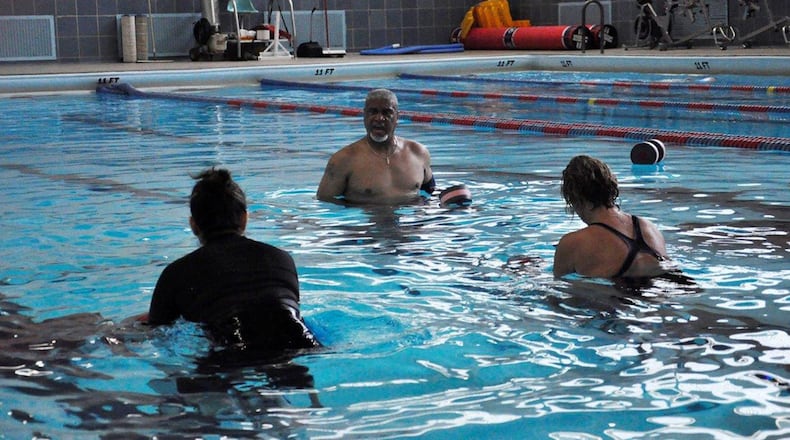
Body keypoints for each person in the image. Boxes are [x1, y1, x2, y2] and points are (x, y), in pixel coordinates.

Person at [146, 168, 320, 351]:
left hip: (233, 351)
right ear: (244, 219)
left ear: (193, 225)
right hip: (300, 341)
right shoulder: (282, 259)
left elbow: (158, 333)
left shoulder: (176, 274)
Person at [553, 155, 670, 279]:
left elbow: (557, 294)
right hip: (672, 284)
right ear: (612, 188)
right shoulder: (648, 226)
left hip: (621, 295)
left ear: (575, 198)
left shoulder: (572, 243)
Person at [316, 88, 435, 205]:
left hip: (409, 222)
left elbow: (430, 192)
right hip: (365, 223)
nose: (379, 118)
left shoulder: (418, 153)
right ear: (364, 115)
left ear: (397, 116)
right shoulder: (344, 159)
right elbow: (326, 203)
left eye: (386, 112)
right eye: (373, 112)